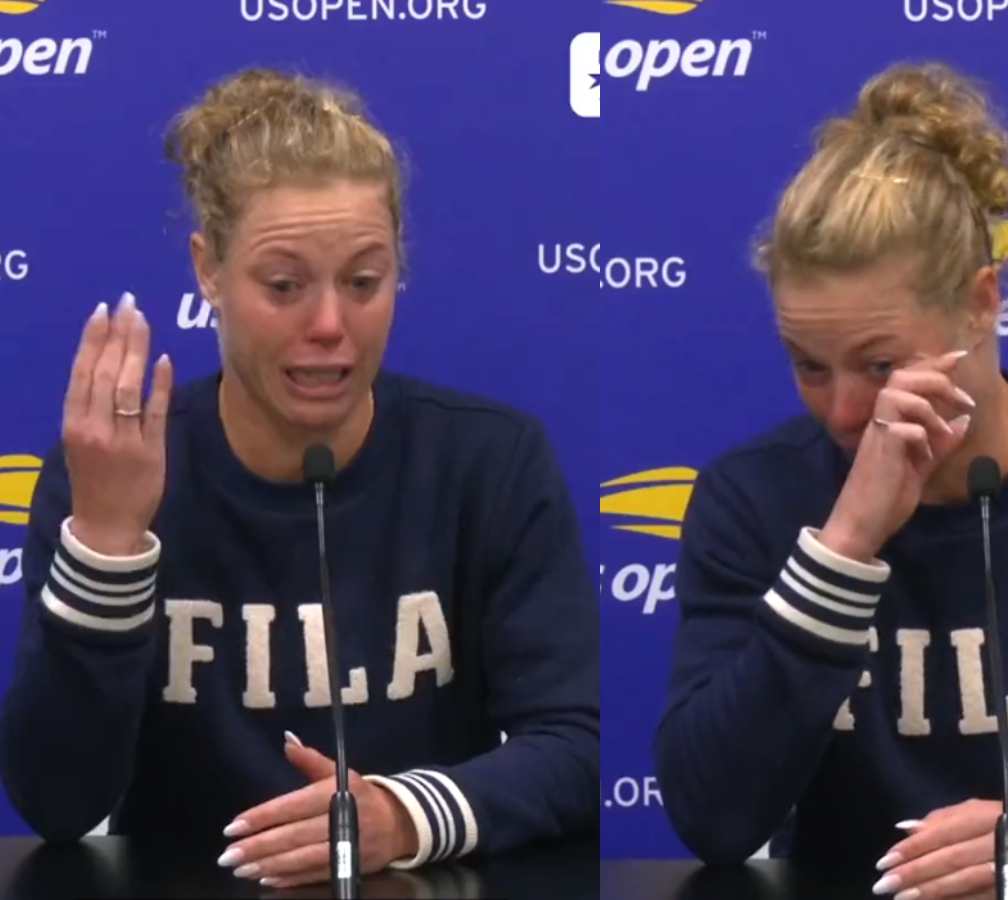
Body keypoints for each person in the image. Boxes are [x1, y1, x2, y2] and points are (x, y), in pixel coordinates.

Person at [0, 69, 598, 889]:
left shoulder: (488, 462)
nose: (329, 325)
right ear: (208, 270)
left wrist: (407, 814)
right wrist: (107, 549)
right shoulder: (110, 472)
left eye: (363, 282)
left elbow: (578, 747)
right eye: (283, 286)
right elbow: (57, 803)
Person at [654, 62, 1008, 898]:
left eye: (879, 365)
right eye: (808, 367)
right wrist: (845, 546)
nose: (842, 412)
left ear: (982, 304)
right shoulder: (753, 498)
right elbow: (712, 817)